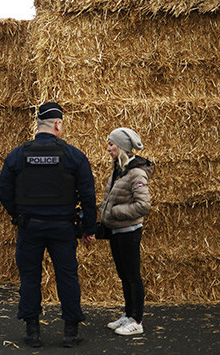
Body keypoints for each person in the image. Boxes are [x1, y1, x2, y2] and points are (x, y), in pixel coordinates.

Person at [0, 102, 97, 349]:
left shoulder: (18, 155)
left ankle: (32, 332)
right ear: (57, 124)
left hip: (30, 227)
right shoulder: (74, 156)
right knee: (67, 277)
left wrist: (18, 214)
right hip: (63, 228)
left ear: (38, 125)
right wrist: (89, 228)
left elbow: (4, 191)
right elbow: (88, 196)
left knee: (29, 277)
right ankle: (70, 332)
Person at [99, 127, 152, 336]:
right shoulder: (120, 169)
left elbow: (144, 205)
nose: (109, 148)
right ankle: (128, 314)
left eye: (111, 144)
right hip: (117, 230)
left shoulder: (136, 172)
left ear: (121, 147)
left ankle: (137, 320)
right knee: (124, 275)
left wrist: (115, 211)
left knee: (132, 275)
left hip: (129, 231)